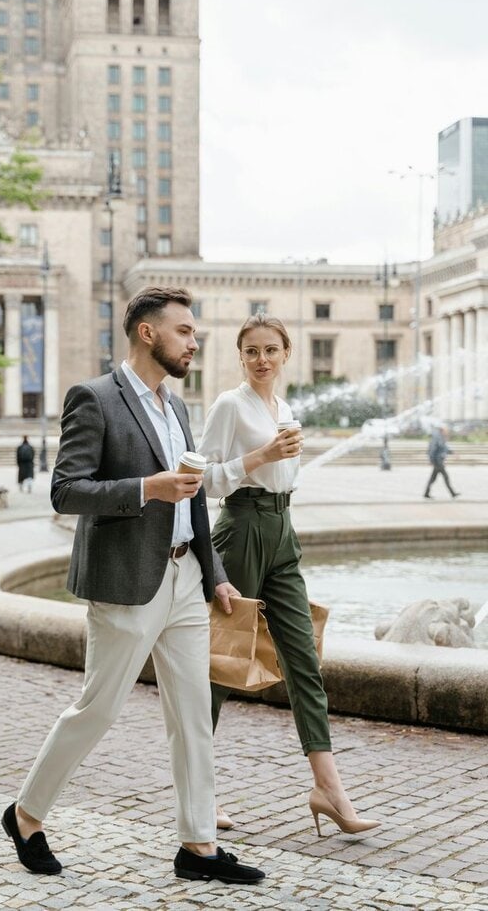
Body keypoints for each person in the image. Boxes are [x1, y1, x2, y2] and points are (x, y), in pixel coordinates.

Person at [1, 286, 265, 885]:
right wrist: (148, 487)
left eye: (194, 333)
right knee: (98, 708)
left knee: (195, 714)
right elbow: (66, 491)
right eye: (185, 332)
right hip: (124, 581)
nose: (195, 342)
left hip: (186, 577)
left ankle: (197, 848)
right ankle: (25, 814)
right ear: (148, 334)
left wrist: (215, 575)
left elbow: (193, 497)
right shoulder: (93, 398)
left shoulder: (177, 408)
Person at [198, 313, 380, 838]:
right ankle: (199, 792)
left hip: (282, 530)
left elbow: (287, 475)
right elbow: (202, 480)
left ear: (286, 354)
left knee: (304, 658)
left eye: (271, 350)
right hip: (241, 527)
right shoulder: (229, 405)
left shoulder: (287, 409)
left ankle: (329, 789)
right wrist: (258, 457)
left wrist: (280, 462)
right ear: (240, 356)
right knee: (222, 666)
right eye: (251, 350)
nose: (262, 359)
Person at [424, 425, 460, 499]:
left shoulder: (441, 438)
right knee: (445, 477)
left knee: (433, 478)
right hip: (438, 461)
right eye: (446, 431)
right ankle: (452, 493)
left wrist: (453, 453)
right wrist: (431, 460)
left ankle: (426, 493)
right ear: (442, 431)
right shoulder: (436, 438)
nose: (447, 432)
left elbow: (445, 449)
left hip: (439, 460)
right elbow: (432, 450)